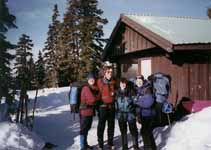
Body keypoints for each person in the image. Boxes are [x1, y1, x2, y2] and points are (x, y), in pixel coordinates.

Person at [97, 62, 116, 150]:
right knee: (101, 126)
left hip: (111, 107)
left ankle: (110, 143)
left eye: (111, 72)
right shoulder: (99, 82)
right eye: (108, 72)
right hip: (102, 107)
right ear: (104, 72)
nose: (110, 73)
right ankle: (100, 144)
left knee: (111, 126)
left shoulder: (114, 81)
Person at [115, 78, 139, 150]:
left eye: (124, 83)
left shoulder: (131, 91)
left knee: (133, 130)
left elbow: (135, 102)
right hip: (121, 114)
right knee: (123, 131)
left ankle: (135, 146)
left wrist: (136, 112)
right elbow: (115, 103)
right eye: (122, 83)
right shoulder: (117, 92)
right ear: (119, 84)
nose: (123, 84)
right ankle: (125, 147)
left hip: (130, 114)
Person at [80, 73, 100, 150]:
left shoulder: (93, 88)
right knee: (83, 129)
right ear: (87, 80)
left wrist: (95, 98)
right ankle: (82, 146)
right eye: (90, 79)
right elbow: (92, 99)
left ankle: (85, 144)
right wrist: (97, 97)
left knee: (86, 129)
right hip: (85, 112)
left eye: (93, 79)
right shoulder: (86, 88)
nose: (92, 80)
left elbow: (93, 100)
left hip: (89, 112)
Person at [136, 84, 157, 150]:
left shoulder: (148, 89)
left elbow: (148, 103)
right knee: (145, 132)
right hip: (143, 115)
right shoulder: (139, 91)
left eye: (140, 81)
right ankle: (150, 147)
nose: (139, 82)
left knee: (147, 132)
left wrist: (139, 101)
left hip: (149, 115)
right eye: (137, 81)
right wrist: (138, 114)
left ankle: (149, 147)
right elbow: (138, 105)